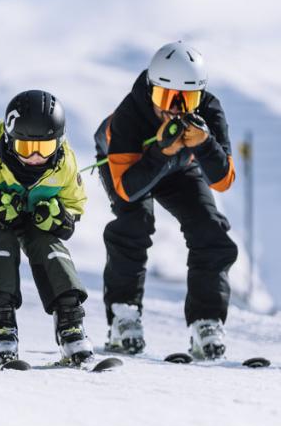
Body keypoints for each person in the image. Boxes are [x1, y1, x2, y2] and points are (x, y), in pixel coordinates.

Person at [94, 41, 237, 360]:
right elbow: (126, 190)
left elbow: (223, 180)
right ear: (151, 89)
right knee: (134, 223)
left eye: (187, 99)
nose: (175, 108)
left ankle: (207, 319)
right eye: (165, 97)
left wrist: (205, 143)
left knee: (210, 230)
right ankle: (123, 314)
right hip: (128, 167)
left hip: (180, 167)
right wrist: (162, 152)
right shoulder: (132, 113)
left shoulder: (209, 112)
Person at [0, 89, 94, 366]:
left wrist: (61, 218)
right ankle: (2, 324)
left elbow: (76, 203)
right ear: (9, 138)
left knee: (50, 248)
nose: (36, 157)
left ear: (59, 142)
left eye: (46, 147)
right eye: (26, 147)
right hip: (1, 223)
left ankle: (70, 323)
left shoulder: (65, 164)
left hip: (38, 225)